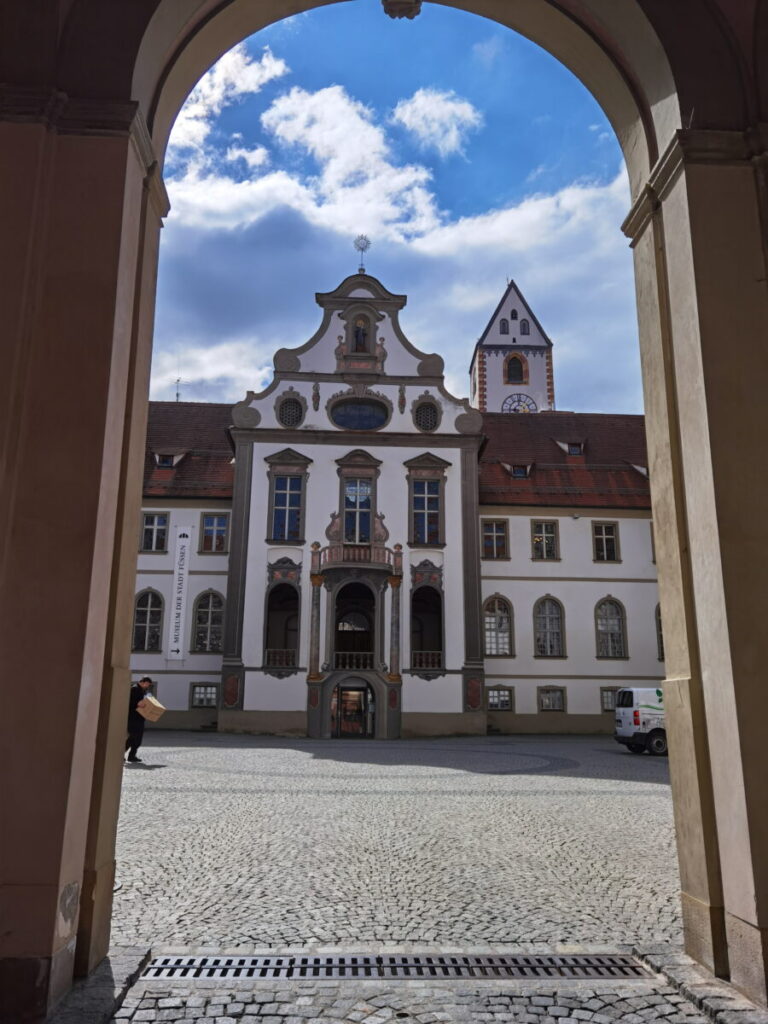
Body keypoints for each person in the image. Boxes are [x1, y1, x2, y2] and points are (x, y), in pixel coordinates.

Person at [126, 677, 153, 763]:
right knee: (133, 737)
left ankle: (132, 756)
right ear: (142, 682)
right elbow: (129, 703)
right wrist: (137, 704)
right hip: (133, 718)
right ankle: (123, 754)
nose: (147, 686)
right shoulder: (134, 689)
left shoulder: (143, 690)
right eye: (147, 684)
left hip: (140, 718)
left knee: (138, 739)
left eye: (149, 685)